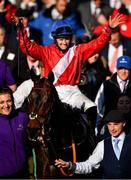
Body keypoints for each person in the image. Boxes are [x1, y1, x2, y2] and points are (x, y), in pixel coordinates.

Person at [12, 12, 125, 133]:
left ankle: (93, 141)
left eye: (67, 39)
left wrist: (109, 29)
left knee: (92, 108)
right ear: (55, 39)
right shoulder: (46, 51)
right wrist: (20, 29)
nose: (64, 42)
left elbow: (97, 44)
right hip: (51, 92)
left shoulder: (77, 50)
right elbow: (27, 47)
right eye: (61, 39)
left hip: (72, 92)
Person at [55, 109, 131, 179]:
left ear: (124, 123)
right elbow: (89, 165)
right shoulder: (102, 145)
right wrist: (70, 165)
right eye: (109, 124)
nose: (112, 128)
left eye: (115, 124)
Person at [95, 55, 131, 129]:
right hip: (111, 127)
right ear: (117, 69)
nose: (123, 71)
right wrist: (97, 126)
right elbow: (98, 107)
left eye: (126, 68)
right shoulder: (106, 85)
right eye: (121, 68)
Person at [0, 87, 28, 178]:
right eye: (1, 102)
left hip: (22, 173)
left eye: (8, 101)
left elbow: (31, 138)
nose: (6, 105)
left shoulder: (23, 117)